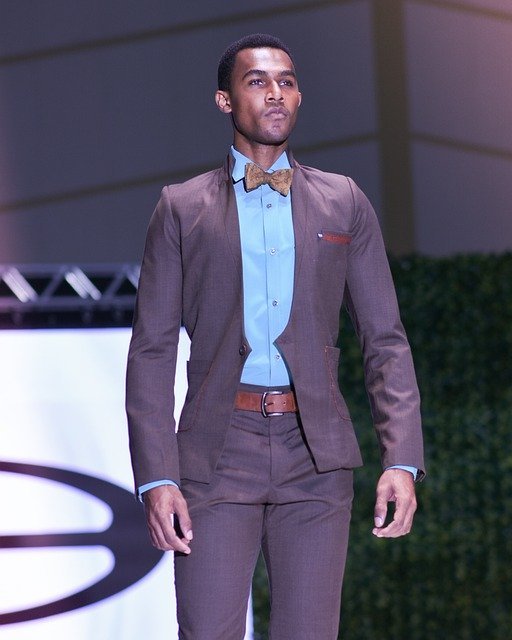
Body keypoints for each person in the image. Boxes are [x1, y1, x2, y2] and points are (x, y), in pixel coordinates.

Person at [126, 33, 425, 640]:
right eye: (257, 81)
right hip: (215, 452)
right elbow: (152, 351)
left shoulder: (343, 201)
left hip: (314, 453)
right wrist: (158, 477)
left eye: (286, 81)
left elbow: (385, 340)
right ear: (225, 100)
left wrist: (402, 459)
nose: (275, 93)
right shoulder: (181, 207)